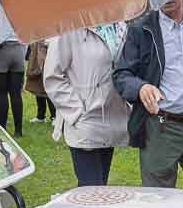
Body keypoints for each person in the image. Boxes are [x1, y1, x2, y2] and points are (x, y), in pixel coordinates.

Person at [113, 0, 183, 197]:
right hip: (161, 128)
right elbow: (122, 74)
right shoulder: (141, 28)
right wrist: (140, 87)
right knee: (158, 199)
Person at [44, 22, 130, 186]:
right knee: (91, 190)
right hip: (84, 123)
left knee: (100, 187)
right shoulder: (69, 27)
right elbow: (52, 77)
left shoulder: (119, 26)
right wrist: (77, 112)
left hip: (111, 120)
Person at [0, 39, 27, 136]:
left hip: (0, 49)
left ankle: (2, 129)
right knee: (16, 95)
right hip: (19, 49)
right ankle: (18, 131)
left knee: (0, 94)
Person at [25, 41, 55, 124]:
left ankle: (54, 116)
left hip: (49, 57)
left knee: (49, 88)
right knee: (38, 87)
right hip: (38, 56)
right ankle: (40, 116)